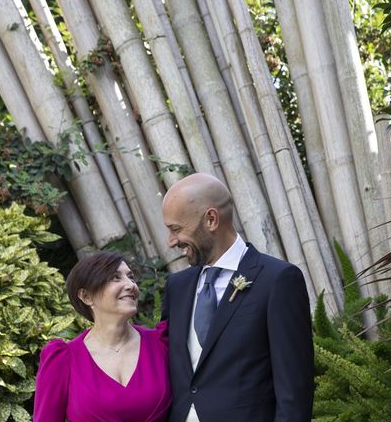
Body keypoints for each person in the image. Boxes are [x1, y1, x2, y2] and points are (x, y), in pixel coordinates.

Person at [161, 173, 315, 422]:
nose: (171, 242)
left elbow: (294, 391)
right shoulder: (177, 287)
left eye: (176, 229)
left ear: (211, 219)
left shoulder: (277, 280)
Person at [33, 252, 171, 421]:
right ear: (86, 296)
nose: (130, 285)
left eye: (131, 277)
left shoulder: (162, 342)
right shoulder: (63, 359)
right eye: (115, 278)